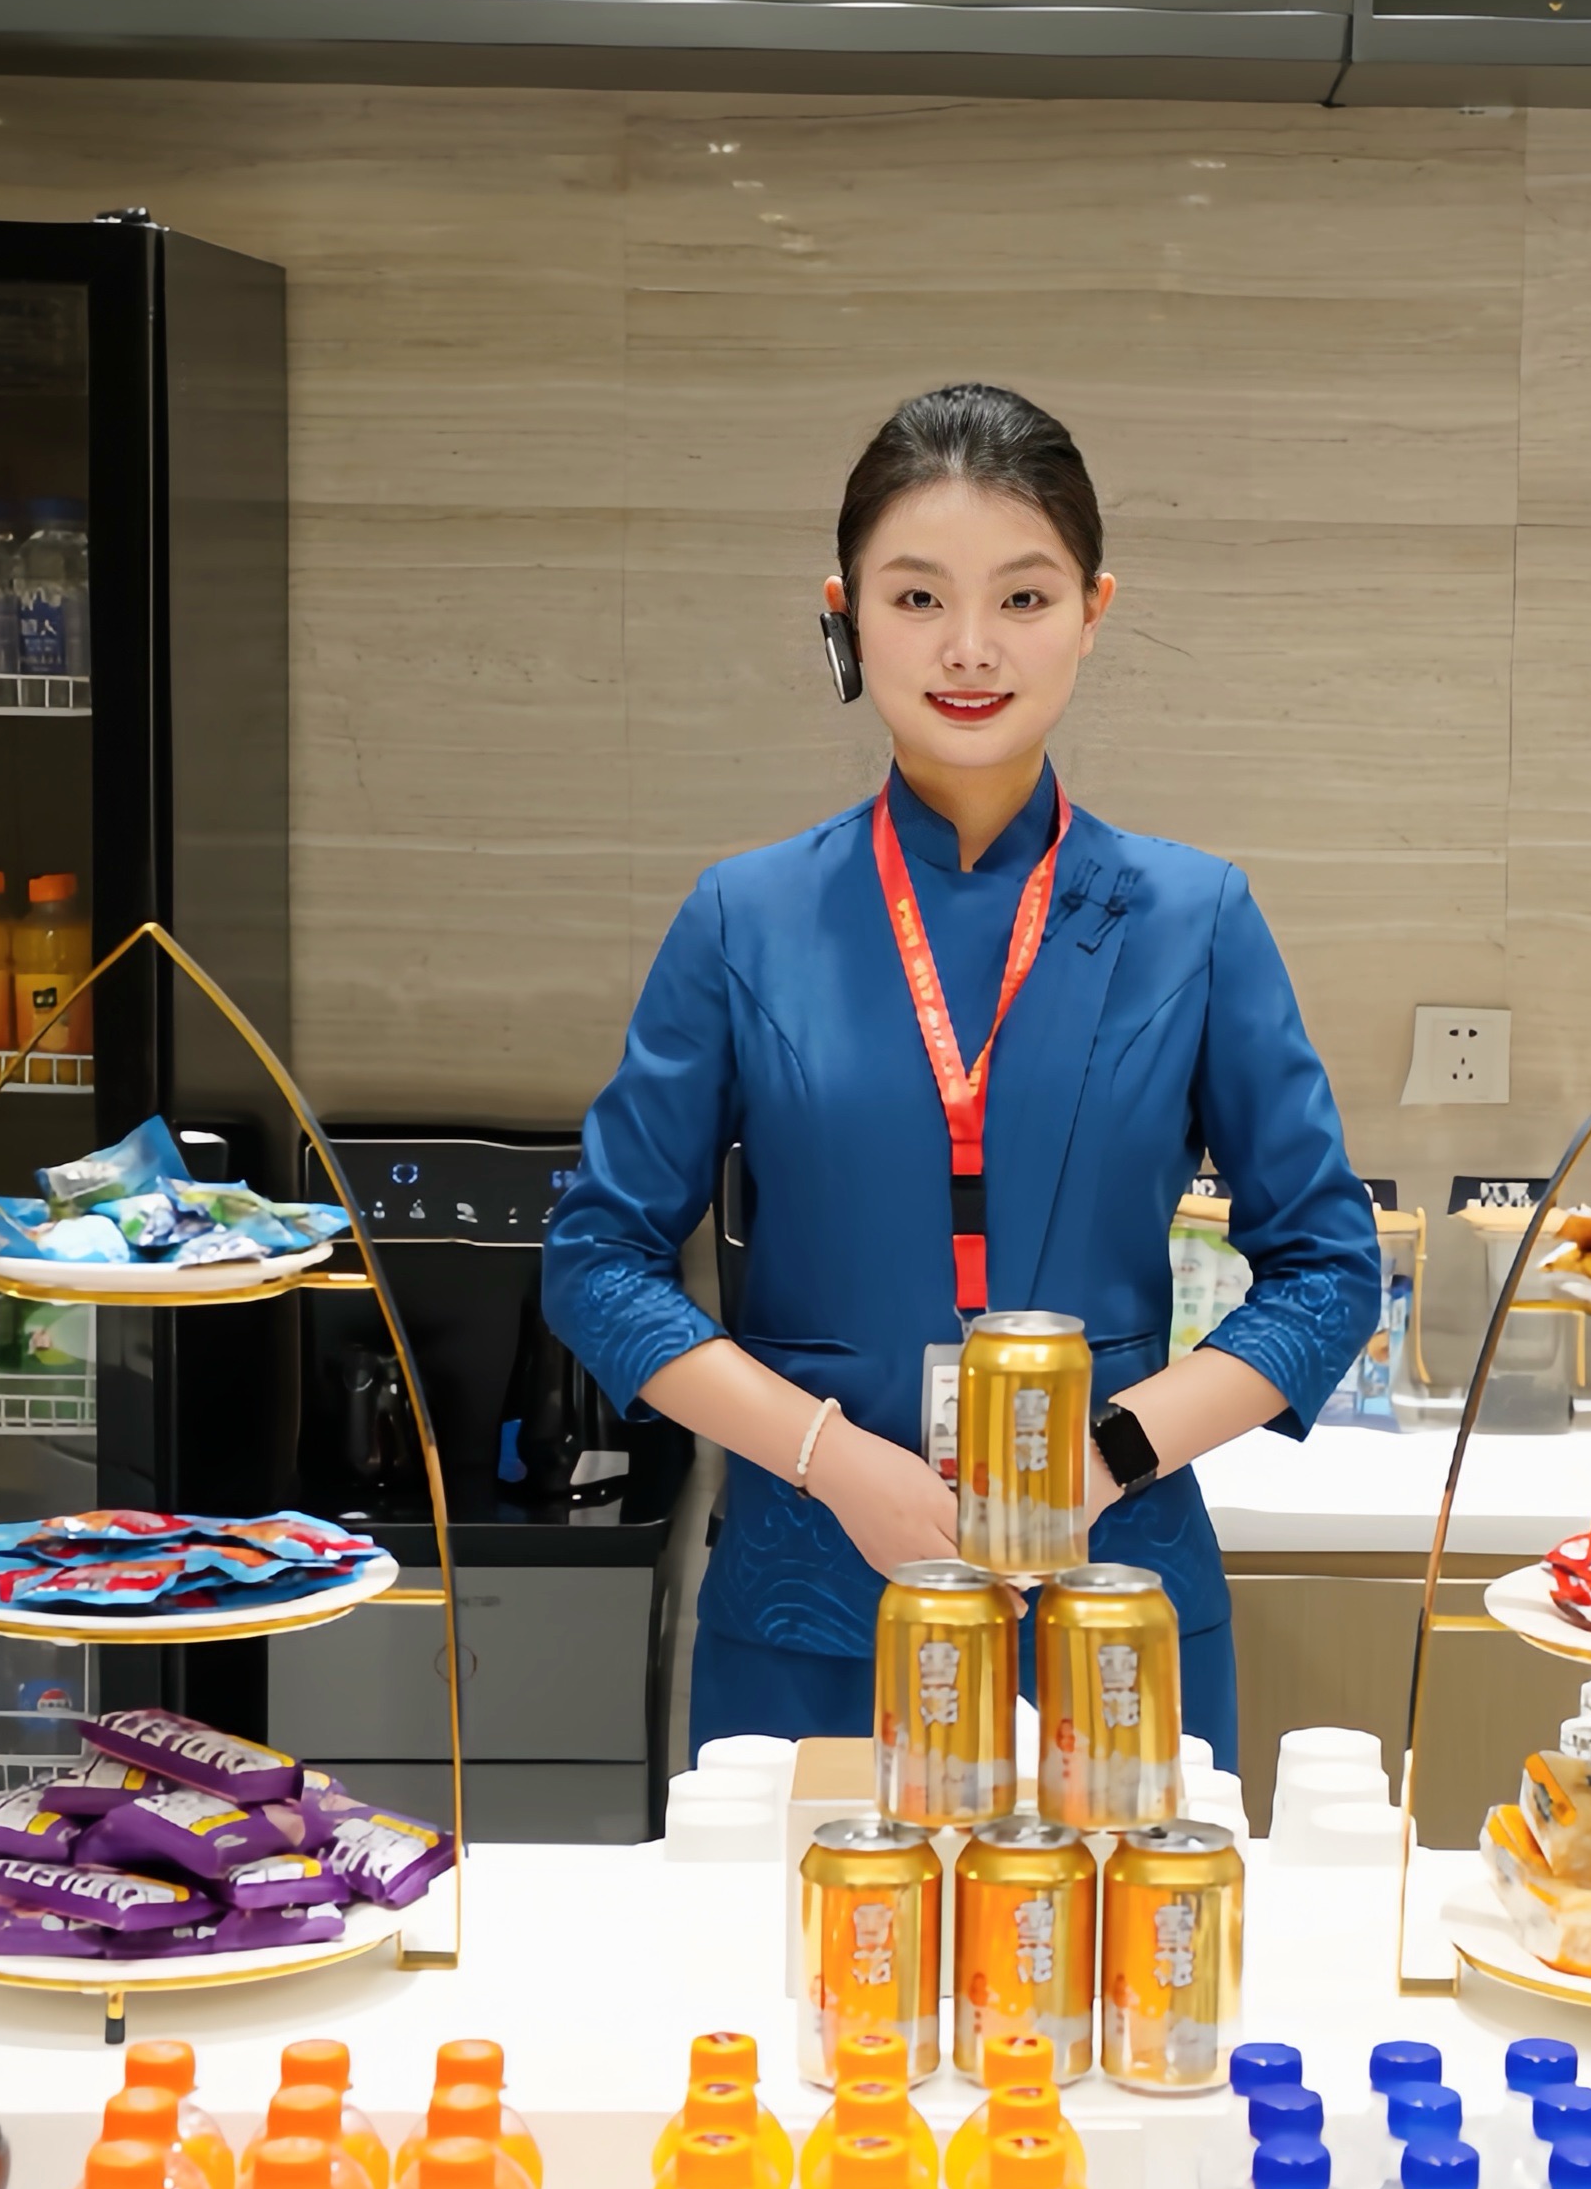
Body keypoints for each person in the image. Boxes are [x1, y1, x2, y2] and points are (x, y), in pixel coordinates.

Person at [545, 383, 1380, 1754]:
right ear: (847, 611)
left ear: (1094, 612)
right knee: (814, 1968)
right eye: (919, 598)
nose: (972, 647)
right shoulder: (743, 918)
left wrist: (1109, 1458)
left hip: (1113, 1612)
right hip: (815, 1597)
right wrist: (834, 1462)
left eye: (1026, 598)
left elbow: (1332, 1270)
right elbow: (596, 1264)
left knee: (1128, 1967)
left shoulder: (1194, 917)